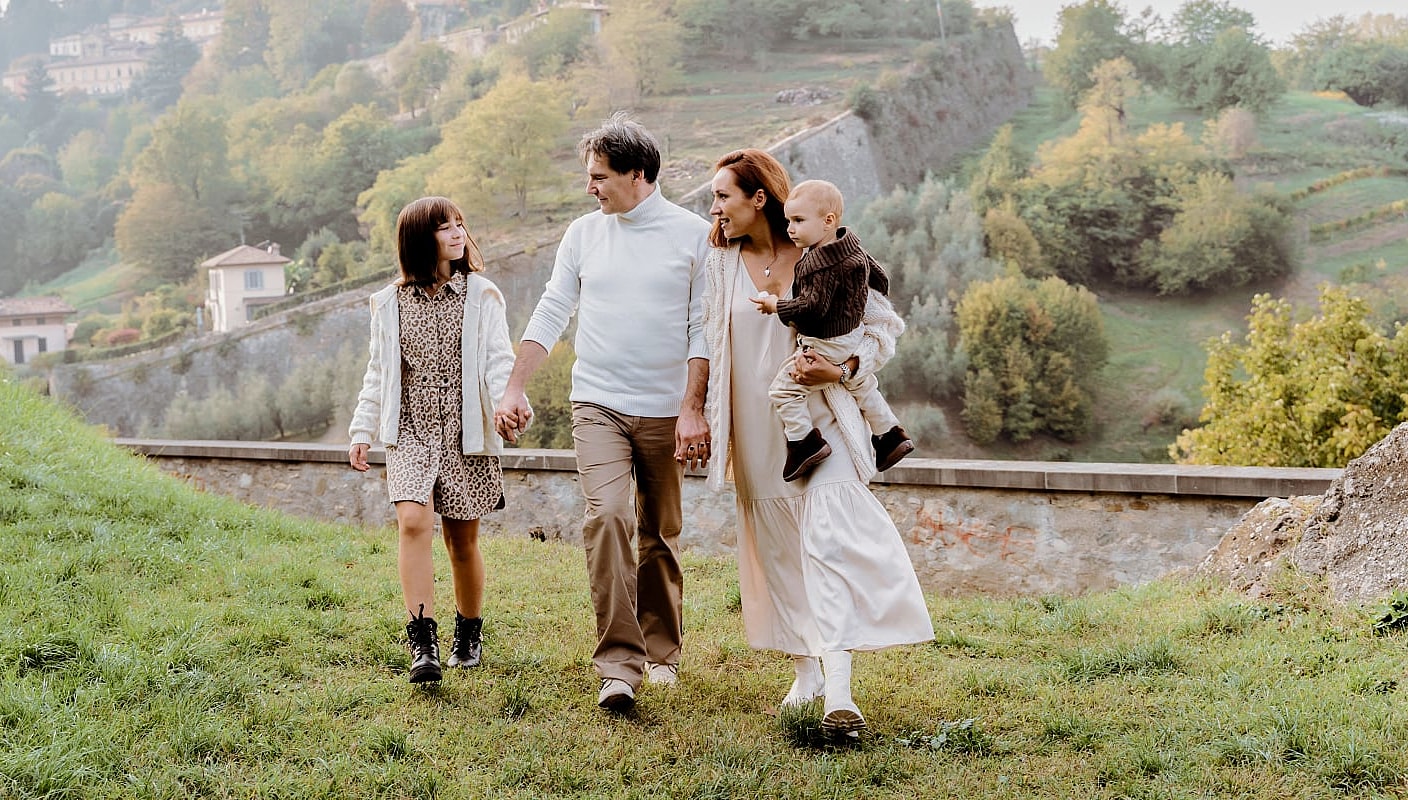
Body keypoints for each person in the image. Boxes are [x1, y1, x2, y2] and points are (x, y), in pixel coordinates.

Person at [703, 149, 934, 736]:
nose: (715, 208)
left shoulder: (828, 253)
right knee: (780, 549)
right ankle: (805, 666)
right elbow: (701, 342)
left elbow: (884, 328)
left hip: (823, 422)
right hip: (756, 430)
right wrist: (692, 411)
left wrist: (845, 368)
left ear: (759, 199)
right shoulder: (718, 261)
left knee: (828, 539)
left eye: (723, 195)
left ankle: (840, 691)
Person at [493, 113, 712, 713]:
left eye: (598, 176)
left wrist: (694, 407)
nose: (589, 186)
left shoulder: (693, 235)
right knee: (608, 517)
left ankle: (662, 651)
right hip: (598, 404)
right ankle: (619, 663)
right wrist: (514, 387)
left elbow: (702, 329)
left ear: (637, 173)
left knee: (659, 532)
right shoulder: (583, 235)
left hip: (669, 412)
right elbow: (551, 309)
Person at [348, 196, 518, 684]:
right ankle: (423, 641)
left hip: (465, 432)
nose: (457, 233)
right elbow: (379, 372)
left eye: (459, 224)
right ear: (421, 238)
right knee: (413, 523)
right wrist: (363, 429)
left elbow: (497, 360)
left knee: (462, 540)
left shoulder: (481, 295)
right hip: (411, 430)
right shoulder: (389, 303)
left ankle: (469, 630)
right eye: (445, 227)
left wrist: (508, 403)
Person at [752, 179, 914, 482]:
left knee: (784, 390)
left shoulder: (819, 262)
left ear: (828, 221)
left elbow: (811, 307)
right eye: (788, 221)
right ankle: (890, 435)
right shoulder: (851, 249)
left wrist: (776, 306)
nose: (790, 229)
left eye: (798, 221)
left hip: (826, 342)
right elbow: (878, 275)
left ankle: (804, 444)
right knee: (862, 385)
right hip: (850, 337)